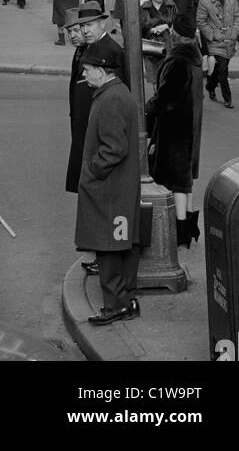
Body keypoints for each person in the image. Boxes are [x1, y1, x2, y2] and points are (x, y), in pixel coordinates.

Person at [76, 38, 142, 325]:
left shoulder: (111, 98)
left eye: (87, 69)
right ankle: (126, 301)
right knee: (121, 248)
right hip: (118, 187)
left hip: (110, 189)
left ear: (101, 71)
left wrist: (93, 170)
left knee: (109, 249)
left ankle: (115, 305)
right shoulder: (116, 93)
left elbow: (114, 148)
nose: (84, 74)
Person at [145, 16, 203, 248]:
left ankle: (180, 231)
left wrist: (148, 107)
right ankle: (188, 226)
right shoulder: (193, 59)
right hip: (190, 127)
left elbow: (166, 97)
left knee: (177, 182)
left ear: (177, 34)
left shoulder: (178, 61)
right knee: (186, 181)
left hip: (175, 130)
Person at [65, 3, 124, 197]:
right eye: (82, 26)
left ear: (102, 23)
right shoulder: (86, 48)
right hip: (83, 125)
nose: (85, 31)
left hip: (98, 129)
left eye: (89, 25)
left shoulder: (112, 50)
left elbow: (118, 93)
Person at [196, 0, 239, 109]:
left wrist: (234, 32)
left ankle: (210, 86)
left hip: (230, 39)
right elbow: (201, 21)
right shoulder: (204, 1)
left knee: (221, 67)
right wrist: (212, 34)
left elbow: (238, 17)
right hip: (215, 41)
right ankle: (228, 98)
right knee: (223, 69)